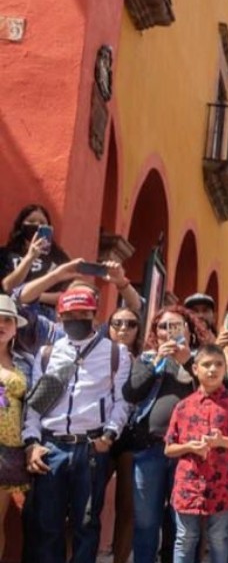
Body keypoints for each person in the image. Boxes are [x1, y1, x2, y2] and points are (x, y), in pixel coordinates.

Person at [22, 287, 132, 563]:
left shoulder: (116, 354)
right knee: (47, 525)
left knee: (86, 524)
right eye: (70, 314)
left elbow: (122, 402)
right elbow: (35, 404)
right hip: (51, 447)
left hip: (91, 448)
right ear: (60, 316)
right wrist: (32, 443)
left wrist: (110, 434)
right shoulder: (47, 354)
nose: (76, 318)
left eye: (83, 313)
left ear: (94, 314)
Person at [122, 306, 214, 563]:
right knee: (146, 522)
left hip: (187, 453)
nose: (168, 331)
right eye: (163, 327)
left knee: (183, 523)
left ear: (189, 330)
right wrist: (154, 363)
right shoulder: (147, 359)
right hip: (150, 449)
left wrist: (187, 361)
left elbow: (215, 392)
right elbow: (131, 392)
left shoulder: (202, 360)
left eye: (175, 326)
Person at [164, 345, 228, 563]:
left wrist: (222, 441)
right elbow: (169, 448)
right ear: (195, 369)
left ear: (226, 369)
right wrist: (190, 447)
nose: (212, 370)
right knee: (185, 538)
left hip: (223, 483)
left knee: (218, 538)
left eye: (218, 364)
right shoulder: (184, 406)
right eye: (206, 365)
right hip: (189, 484)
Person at [0, 295, 32, 560]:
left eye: (6, 320)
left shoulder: (26, 363)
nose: (1, 324)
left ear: (15, 326)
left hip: (10, 450)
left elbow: (34, 405)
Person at [1, 205, 70, 315]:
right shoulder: (6, 254)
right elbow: (7, 287)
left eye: (42, 223)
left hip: (44, 316)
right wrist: (30, 257)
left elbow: (68, 295)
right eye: (31, 221)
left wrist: (35, 295)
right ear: (21, 226)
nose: (37, 225)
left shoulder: (58, 257)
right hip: (11, 313)